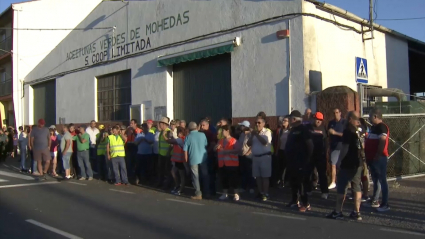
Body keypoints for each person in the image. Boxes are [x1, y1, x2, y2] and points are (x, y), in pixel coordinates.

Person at [327, 111, 364, 220]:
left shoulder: (348, 131)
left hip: (348, 163)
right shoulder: (359, 130)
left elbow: (345, 148)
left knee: (342, 187)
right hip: (358, 162)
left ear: (350, 119)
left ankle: (338, 211)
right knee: (356, 186)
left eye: (348, 118)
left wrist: (339, 161)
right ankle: (357, 212)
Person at [285, 110, 314, 212]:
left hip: (301, 161)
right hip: (292, 161)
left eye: (290, 118)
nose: (288, 120)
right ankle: (294, 200)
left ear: (294, 119)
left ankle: (305, 203)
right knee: (294, 182)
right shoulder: (292, 130)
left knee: (302, 184)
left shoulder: (303, 130)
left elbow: (310, 146)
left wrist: (307, 160)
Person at [365, 108, 390, 212]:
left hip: (379, 158)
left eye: (370, 116)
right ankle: (375, 200)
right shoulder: (373, 127)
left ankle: (385, 203)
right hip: (372, 158)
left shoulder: (382, 127)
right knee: (375, 179)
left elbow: (382, 141)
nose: (369, 118)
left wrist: (378, 155)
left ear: (375, 116)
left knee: (382, 180)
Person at [247, 117, 273, 201]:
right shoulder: (254, 133)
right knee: (257, 176)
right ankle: (260, 192)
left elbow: (265, 142)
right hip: (256, 157)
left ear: (263, 124)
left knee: (265, 176)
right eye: (256, 123)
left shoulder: (267, 132)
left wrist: (257, 135)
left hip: (264, 157)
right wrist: (252, 136)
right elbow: (248, 143)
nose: (257, 124)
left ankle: (266, 193)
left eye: (259, 123)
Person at [184, 122, 209, 200]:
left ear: (189, 128)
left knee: (195, 177)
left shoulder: (188, 137)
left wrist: (186, 161)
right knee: (205, 175)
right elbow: (206, 144)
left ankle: (198, 193)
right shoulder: (202, 135)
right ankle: (207, 192)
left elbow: (185, 150)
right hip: (203, 158)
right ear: (196, 127)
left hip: (193, 158)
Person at [215, 125, 240, 201]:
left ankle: (236, 194)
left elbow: (238, 150)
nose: (222, 132)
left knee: (233, 179)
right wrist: (216, 147)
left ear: (227, 131)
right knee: (224, 179)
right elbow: (215, 148)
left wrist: (228, 151)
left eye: (223, 131)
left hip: (232, 163)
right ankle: (225, 194)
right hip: (222, 163)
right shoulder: (221, 140)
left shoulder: (234, 140)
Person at [307, 112, 329, 199]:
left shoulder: (323, 128)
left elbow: (326, 141)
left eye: (320, 120)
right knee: (309, 173)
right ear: (313, 119)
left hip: (320, 155)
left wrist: (326, 152)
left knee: (322, 174)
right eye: (317, 119)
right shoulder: (308, 128)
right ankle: (308, 190)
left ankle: (324, 191)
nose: (318, 121)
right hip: (310, 155)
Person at [164, 126, 187, 195]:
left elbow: (168, 141)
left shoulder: (180, 139)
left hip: (181, 160)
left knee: (181, 175)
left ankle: (181, 189)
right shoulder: (181, 139)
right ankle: (177, 186)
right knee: (174, 172)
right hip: (177, 160)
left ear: (180, 133)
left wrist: (164, 135)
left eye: (177, 132)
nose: (176, 134)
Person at [328, 108, 346, 189]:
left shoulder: (344, 122)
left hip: (341, 147)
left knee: (341, 165)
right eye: (334, 113)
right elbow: (328, 135)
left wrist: (335, 133)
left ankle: (342, 181)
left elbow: (345, 135)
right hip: (333, 146)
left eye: (337, 112)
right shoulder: (331, 123)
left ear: (340, 113)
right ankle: (333, 181)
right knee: (333, 164)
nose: (335, 114)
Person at [199, 119, 218, 196]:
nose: (202, 127)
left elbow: (213, 144)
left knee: (210, 174)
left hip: (209, 156)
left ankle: (211, 191)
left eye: (203, 125)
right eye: (201, 125)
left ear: (207, 126)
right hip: (201, 157)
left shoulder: (210, 134)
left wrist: (207, 151)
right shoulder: (200, 133)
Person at [237, 121, 255, 194]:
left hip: (249, 156)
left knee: (249, 172)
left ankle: (251, 187)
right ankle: (243, 187)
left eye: (241, 126)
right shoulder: (241, 134)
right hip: (241, 155)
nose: (240, 127)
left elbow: (252, 144)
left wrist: (248, 152)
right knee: (243, 171)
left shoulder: (250, 134)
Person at [274, 116, 290, 188]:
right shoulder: (280, 131)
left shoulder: (289, 131)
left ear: (288, 123)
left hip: (287, 151)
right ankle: (280, 181)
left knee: (286, 167)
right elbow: (279, 142)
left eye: (285, 121)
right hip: (281, 150)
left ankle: (285, 181)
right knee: (280, 166)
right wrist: (276, 151)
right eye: (283, 120)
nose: (283, 122)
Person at [156, 117, 173, 188]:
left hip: (167, 155)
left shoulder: (169, 132)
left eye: (161, 124)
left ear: (164, 124)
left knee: (167, 171)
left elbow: (171, 144)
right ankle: (161, 183)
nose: (160, 125)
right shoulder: (161, 132)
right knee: (161, 170)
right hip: (161, 154)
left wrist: (168, 152)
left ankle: (167, 185)